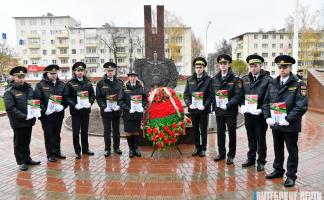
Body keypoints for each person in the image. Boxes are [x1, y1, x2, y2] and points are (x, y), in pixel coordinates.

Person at [263, 55, 308, 187]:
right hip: (276, 123)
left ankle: (291, 175)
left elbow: (302, 106)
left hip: (290, 124)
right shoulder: (273, 83)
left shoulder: (299, 84)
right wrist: (267, 117)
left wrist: (288, 119)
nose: (282, 69)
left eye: (285, 67)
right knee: (277, 148)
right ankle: (278, 170)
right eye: (280, 67)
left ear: (290, 67)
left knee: (291, 150)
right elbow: (266, 102)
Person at [4, 66, 41, 171]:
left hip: (29, 120)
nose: (21, 79)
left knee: (27, 140)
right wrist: (25, 116)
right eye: (19, 77)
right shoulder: (10, 91)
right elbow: (10, 109)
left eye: (23, 76)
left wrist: (36, 111)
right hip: (18, 122)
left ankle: (27, 158)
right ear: (14, 77)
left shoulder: (29, 88)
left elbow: (33, 102)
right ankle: (21, 162)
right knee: (19, 142)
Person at [240, 55, 272, 171]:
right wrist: (242, 105)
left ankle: (261, 160)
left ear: (260, 66)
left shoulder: (268, 80)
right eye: (251, 66)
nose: (253, 68)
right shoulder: (244, 79)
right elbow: (240, 95)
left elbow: (269, 98)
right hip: (248, 114)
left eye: (255, 66)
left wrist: (262, 109)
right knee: (251, 137)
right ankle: (251, 158)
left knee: (260, 138)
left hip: (260, 116)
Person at [213, 54, 243, 164]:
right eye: (221, 63)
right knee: (220, 132)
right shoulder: (215, 79)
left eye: (225, 63)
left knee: (231, 133)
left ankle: (231, 155)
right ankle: (221, 153)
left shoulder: (235, 79)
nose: (223, 65)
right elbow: (213, 94)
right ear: (219, 65)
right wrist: (213, 107)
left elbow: (238, 95)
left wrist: (228, 104)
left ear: (228, 64)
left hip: (230, 111)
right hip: (219, 111)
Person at [34, 64, 67, 162]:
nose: (53, 75)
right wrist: (44, 110)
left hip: (58, 114)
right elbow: (37, 100)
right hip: (46, 116)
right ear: (46, 73)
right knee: (49, 135)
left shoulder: (61, 84)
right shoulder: (40, 85)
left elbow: (66, 98)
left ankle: (57, 151)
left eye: (55, 73)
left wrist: (63, 106)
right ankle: (50, 154)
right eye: (51, 73)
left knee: (57, 134)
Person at [64, 62, 95, 159]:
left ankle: (85, 149)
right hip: (76, 112)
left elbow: (92, 95)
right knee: (76, 132)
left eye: (81, 70)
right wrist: (74, 105)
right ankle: (77, 151)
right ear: (75, 72)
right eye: (78, 71)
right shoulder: (70, 83)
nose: (80, 72)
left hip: (85, 111)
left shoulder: (88, 83)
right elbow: (66, 97)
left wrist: (90, 102)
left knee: (85, 131)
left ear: (84, 72)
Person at [183, 57, 214, 157]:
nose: (199, 69)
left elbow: (211, 95)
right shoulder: (190, 79)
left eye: (200, 67)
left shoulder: (209, 80)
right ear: (194, 68)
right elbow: (186, 94)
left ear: (204, 68)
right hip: (193, 109)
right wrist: (189, 104)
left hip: (203, 110)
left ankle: (203, 148)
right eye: (197, 67)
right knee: (195, 129)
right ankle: (197, 147)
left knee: (203, 129)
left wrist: (204, 106)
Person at [96, 62, 123, 157]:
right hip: (106, 111)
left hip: (116, 110)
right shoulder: (100, 83)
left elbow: (121, 96)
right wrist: (104, 107)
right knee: (107, 130)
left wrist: (119, 105)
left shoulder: (120, 82)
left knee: (116, 130)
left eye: (112, 70)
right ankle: (107, 149)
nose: (110, 72)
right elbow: (98, 97)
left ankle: (117, 147)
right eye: (108, 71)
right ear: (105, 71)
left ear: (115, 71)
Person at [118, 70, 146, 158]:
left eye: (134, 76)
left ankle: (136, 148)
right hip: (128, 114)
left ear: (136, 77)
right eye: (131, 76)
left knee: (136, 132)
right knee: (129, 132)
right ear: (128, 77)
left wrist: (142, 106)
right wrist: (128, 109)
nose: (133, 78)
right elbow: (120, 101)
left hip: (137, 113)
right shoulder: (124, 87)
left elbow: (145, 99)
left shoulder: (140, 87)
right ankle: (131, 149)